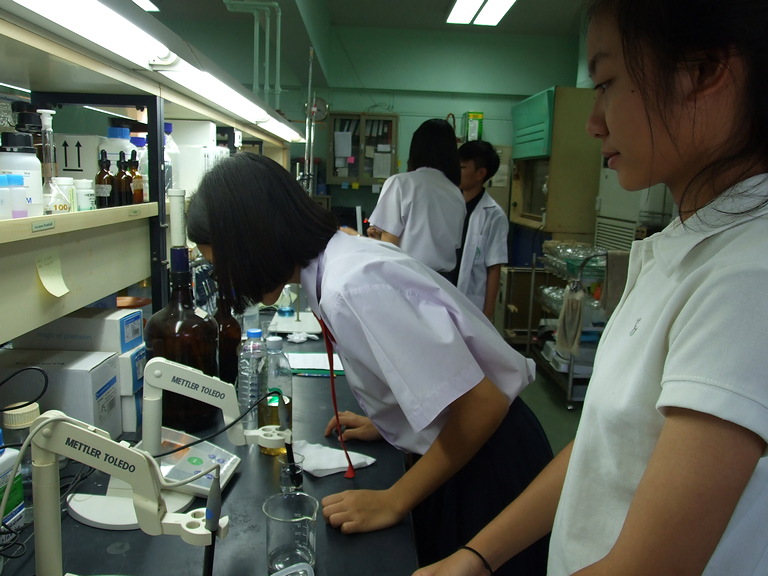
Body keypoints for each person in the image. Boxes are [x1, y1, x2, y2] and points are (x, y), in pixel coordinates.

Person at [413, 1, 768, 575]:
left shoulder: (749, 275)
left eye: (605, 84)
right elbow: (605, 449)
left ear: (703, 73)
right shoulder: (681, 248)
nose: (593, 121)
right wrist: (476, 557)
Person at [186, 151, 553, 575]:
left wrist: (393, 500)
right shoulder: (336, 265)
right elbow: (433, 369)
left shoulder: (351, 286)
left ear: (254, 239)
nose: (229, 282)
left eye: (225, 267)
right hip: (465, 441)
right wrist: (395, 416)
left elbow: (481, 405)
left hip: (489, 455)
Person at [367, 118, 466, 281]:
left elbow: (389, 248)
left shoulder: (400, 183)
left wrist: (378, 239)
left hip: (408, 279)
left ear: (416, 148)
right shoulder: (456, 193)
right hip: (444, 283)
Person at [454, 140, 508, 320]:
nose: (456, 171)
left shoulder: (494, 215)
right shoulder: (450, 204)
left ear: (480, 174)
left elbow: (494, 267)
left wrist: (488, 314)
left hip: (472, 302)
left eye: (462, 167)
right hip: (445, 293)